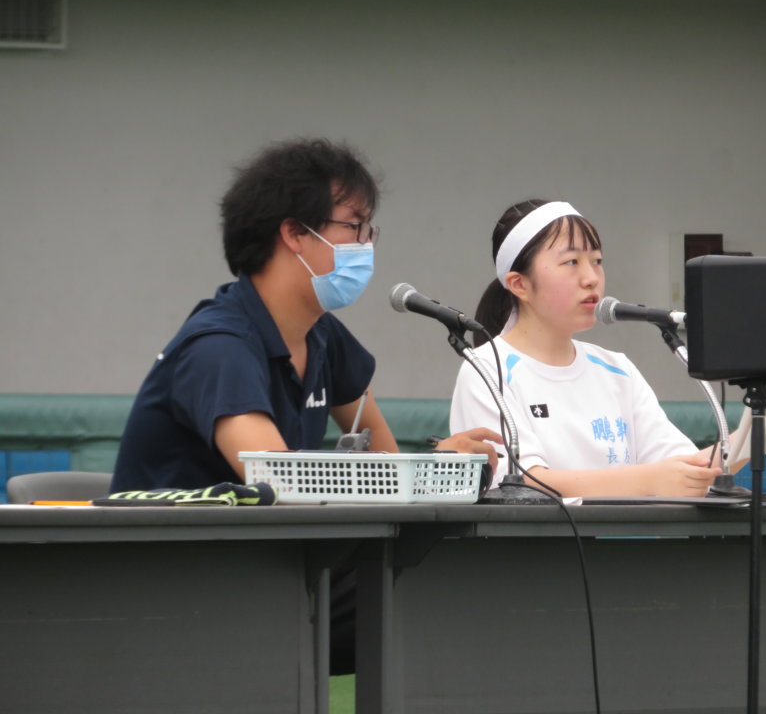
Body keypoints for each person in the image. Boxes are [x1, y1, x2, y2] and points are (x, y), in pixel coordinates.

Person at [111, 137, 500, 674]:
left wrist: (440, 470)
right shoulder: (219, 347)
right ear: (294, 233)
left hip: (268, 564)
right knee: (425, 595)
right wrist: (433, 467)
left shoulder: (323, 337)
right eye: (353, 227)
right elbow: (280, 485)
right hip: (179, 582)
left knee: (454, 575)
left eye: (369, 231)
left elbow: (385, 467)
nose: (366, 246)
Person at [449, 199, 766, 498]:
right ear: (519, 284)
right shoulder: (486, 369)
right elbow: (522, 484)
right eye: (571, 262)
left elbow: (690, 471)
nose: (591, 278)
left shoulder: (616, 369)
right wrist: (649, 480)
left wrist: (765, 420)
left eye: (597, 261)